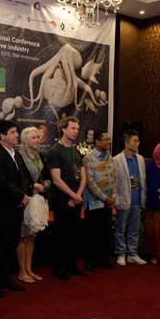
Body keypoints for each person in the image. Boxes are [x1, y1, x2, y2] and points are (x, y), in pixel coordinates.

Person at [0, 120, 30, 294]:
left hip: (17, 207)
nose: (16, 135)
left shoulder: (16, 154)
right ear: (2, 136)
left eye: (16, 132)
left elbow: (23, 177)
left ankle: (7, 278)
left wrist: (25, 193)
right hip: (2, 209)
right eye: (12, 132)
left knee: (11, 245)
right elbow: (0, 181)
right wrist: (20, 196)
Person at [48, 117, 86, 279]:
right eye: (73, 128)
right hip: (62, 200)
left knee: (74, 235)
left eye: (77, 128)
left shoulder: (76, 151)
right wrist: (72, 195)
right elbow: (56, 180)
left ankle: (71, 265)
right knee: (61, 236)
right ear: (63, 129)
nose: (76, 131)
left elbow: (83, 176)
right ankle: (59, 269)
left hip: (76, 199)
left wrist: (78, 195)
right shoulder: (55, 151)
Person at [17, 126, 51, 283]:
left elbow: (47, 177)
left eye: (38, 137)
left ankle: (29, 269)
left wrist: (44, 186)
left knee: (32, 237)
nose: (38, 140)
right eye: (34, 137)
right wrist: (32, 187)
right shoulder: (19, 156)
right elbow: (18, 179)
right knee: (23, 237)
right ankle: (22, 271)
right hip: (25, 200)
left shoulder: (41, 156)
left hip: (38, 201)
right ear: (25, 141)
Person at [83, 130, 117, 270]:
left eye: (109, 139)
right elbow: (90, 183)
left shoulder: (110, 158)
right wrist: (105, 198)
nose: (109, 142)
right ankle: (91, 260)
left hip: (108, 203)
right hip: (94, 202)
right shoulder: (89, 158)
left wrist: (113, 197)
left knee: (105, 232)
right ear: (97, 141)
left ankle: (103, 258)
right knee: (93, 233)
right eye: (106, 139)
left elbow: (113, 179)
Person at [113, 130, 147, 266]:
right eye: (135, 140)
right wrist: (115, 199)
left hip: (137, 199)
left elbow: (143, 179)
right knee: (120, 229)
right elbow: (114, 182)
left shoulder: (141, 159)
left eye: (138, 140)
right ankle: (121, 253)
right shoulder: (116, 160)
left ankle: (132, 253)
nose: (138, 143)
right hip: (123, 199)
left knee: (134, 229)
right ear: (126, 143)